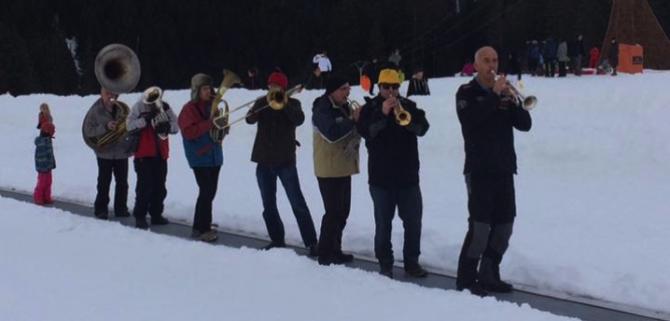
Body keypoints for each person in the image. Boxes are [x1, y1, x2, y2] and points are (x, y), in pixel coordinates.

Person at [454, 46, 532, 296]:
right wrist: (493, 96)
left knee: (504, 226)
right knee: (480, 228)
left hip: (504, 169)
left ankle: (489, 273)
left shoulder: (505, 95)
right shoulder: (466, 92)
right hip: (478, 170)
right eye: (486, 61)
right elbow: (471, 121)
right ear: (475, 65)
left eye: (495, 60)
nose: (492, 65)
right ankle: (466, 279)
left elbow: (525, 125)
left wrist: (513, 102)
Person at [356, 68, 430, 279]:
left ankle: (412, 263)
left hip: (408, 177)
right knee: (383, 224)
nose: (390, 91)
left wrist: (405, 119)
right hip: (381, 178)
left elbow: (423, 128)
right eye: (386, 86)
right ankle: (385, 264)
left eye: (394, 87)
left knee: (413, 223)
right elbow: (365, 132)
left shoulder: (409, 106)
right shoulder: (369, 108)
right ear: (378, 87)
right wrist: (383, 113)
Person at [246, 71, 318, 255]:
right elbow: (249, 119)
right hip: (263, 161)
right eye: (271, 86)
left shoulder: (293, 103)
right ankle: (276, 240)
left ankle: (312, 243)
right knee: (268, 205)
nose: (273, 89)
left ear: (283, 88)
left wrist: (284, 103)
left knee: (297, 203)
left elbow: (299, 120)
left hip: (285, 161)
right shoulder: (262, 102)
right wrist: (256, 108)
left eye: (276, 86)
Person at [312, 73, 361, 265]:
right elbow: (331, 133)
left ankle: (335, 248)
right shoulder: (321, 108)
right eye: (343, 88)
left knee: (343, 212)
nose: (347, 92)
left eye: (348, 88)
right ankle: (324, 253)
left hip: (343, 167)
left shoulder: (344, 106)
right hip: (328, 168)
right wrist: (353, 120)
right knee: (332, 212)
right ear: (332, 91)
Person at [126, 87, 179, 229]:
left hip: (161, 153)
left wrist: (168, 127)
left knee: (160, 187)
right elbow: (129, 125)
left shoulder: (165, 107)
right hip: (143, 154)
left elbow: (176, 126)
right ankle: (140, 216)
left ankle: (156, 215)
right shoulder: (138, 107)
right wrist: (144, 121)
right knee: (144, 187)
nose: (155, 99)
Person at [178, 73, 222, 242]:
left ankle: (205, 222)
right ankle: (199, 228)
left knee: (210, 191)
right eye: (204, 88)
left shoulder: (213, 105)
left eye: (209, 88)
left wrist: (222, 128)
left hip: (215, 156)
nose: (208, 91)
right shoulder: (188, 109)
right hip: (199, 156)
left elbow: (219, 128)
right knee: (206, 191)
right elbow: (188, 132)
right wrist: (210, 124)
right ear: (197, 90)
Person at [82, 87, 132, 219]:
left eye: (113, 93)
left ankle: (121, 208)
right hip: (104, 152)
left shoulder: (122, 109)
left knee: (122, 182)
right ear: (101, 94)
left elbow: (130, 128)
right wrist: (105, 127)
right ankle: (101, 209)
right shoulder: (95, 110)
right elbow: (88, 131)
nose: (110, 96)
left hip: (121, 152)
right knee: (104, 182)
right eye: (107, 93)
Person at [34, 103, 56, 205]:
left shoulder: (48, 140)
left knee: (48, 182)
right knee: (42, 182)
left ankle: (47, 197)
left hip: (48, 166)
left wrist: (51, 164)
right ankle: (38, 197)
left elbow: (50, 154)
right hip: (43, 167)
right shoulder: (43, 142)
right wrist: (44, 165)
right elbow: (41, 156)